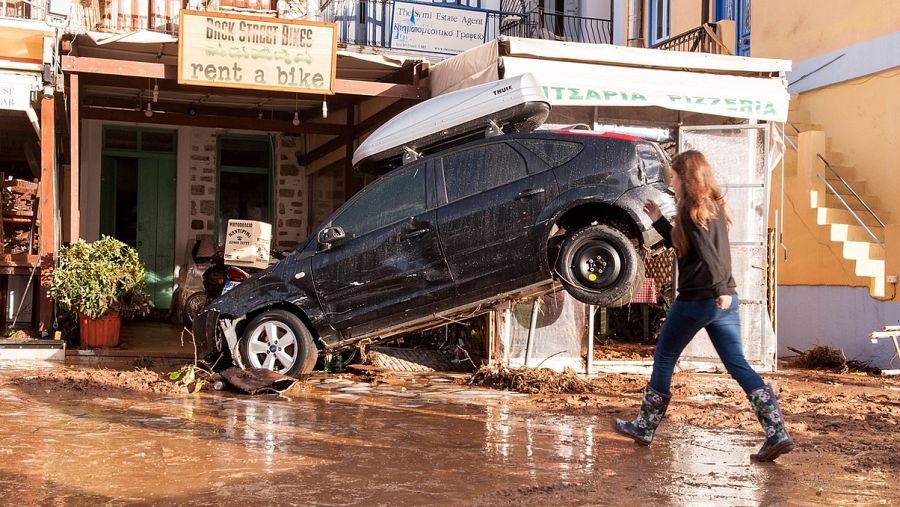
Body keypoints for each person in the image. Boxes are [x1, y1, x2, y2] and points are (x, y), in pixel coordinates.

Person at [613, 150, 793, 462]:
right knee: (738, 365)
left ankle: (645, 426)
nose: (672, 181)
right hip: (724, 300)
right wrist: (658, 222)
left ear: (686, 177)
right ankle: (776, 431)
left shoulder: (691, 210)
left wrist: (719, 288)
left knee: (665, 355)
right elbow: (689, 246)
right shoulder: (712, 208)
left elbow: (710, 254)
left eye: (674, 176)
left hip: (699, 299)